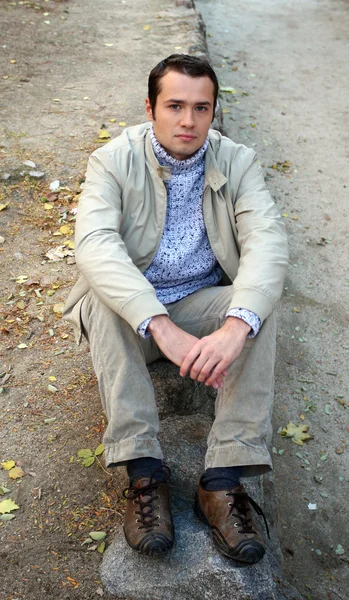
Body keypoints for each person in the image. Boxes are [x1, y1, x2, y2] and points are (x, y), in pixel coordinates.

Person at [64, 54, 288, 565]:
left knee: (259, 305)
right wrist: (159, 325)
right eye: (175, 106)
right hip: (134, 319)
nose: (188, 121)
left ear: (213, 112)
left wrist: (234, 326)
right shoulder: (113, 160)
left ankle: (224, 480)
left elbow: (267, 244)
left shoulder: (238, 162)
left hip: (200, 304)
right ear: (151, 108)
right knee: (102, 295)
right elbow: (95, 244)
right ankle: (144, 473)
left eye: (201, 108)